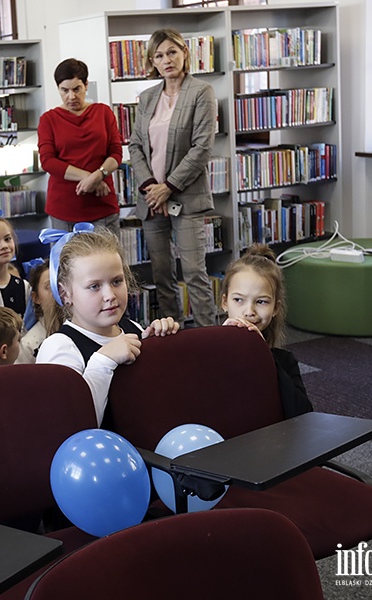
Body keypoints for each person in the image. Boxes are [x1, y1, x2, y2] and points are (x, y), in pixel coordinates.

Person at [36, 226, 178, 426]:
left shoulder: (133, 327)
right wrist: (103, 361)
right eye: (94, 286)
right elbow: (73, 425)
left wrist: (158, 345)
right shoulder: (59, 348)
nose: (110, 296)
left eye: (117, 281)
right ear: (65, 294)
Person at [128, 28, 218, 328]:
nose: (166, 60)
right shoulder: (148, 97)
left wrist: (168, 187)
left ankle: (213, 341)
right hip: (152, 199)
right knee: (162, 276)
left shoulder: (201, 92)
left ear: (184, 53)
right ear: (152, 61)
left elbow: (202, 148)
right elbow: (136, 145)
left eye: (171, 52)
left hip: (185, 197)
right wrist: (150, 188)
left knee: (194, 273)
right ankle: (173, 339)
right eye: (159, 55)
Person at [220, 244, 313, 419]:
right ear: (225, 302)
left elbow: (303, 415)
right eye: (238, 299)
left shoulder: (284, 361)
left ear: (276, 307)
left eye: (261, 302)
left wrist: (262, 353)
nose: (249, 311)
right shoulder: (208, 353)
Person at [37, 58, 122, 236]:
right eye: (64, 90)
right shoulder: (49, 119)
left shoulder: (103, 113)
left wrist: (100, 174)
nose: (71, 96)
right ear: (58, 89)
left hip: (102, 205)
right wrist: (91, 178)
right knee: (66, 262)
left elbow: (116, 153)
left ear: (86, 85)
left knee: (109, 261)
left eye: (77, 89)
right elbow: (48, 161)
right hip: (65, 208)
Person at [16, 260, 56, 364]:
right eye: (50, 287)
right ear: (36, 297)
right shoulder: (28, 345)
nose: (57, 292)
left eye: (60, 284)